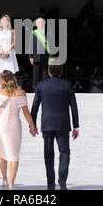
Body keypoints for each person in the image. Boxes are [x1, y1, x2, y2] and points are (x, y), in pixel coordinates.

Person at [31, 59, 79, 190]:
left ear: (48, 71)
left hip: (47, 124)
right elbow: (74, 107)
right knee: (64, 152)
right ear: (62, 71)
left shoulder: (41, 85)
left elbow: (34, 106)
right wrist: (76, 126)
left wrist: (32, 125)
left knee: (48, 154)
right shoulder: (67, 85)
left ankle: (50, 184)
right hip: (63, 124)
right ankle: (62, 178)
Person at [0, 70, 37, 190]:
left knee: (2, 153)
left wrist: (4, 111)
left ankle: (4, 179)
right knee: (14, 155)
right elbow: (26, 112)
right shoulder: (21, 93)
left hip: (1, 125)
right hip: (15, 125)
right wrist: (32, 126)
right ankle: (11, 183)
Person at [0, 14, 19, 87]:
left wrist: (8, 51)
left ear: (9, 21)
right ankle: (1, 89)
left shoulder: (12, 31)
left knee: (10, 72)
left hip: (9, 51)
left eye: (7, 20)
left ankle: (11, 88)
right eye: (4, 20)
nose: (5, 22)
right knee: (0, 72)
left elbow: (13, 42)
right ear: (1, 21)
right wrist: (1, 51)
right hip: (0, 51)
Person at [29, 18, 50, 91]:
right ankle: (36, 88)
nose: (40, 24)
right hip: (35, 56)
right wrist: (30, 56)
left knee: (45, 73)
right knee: (36, 73)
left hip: (45, 56)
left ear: (45, 23)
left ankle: (45, 88)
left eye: (42, 22)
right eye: (39, 22)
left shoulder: (48, 33)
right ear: (36, 24)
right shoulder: (33, 33)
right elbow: (30, 46)